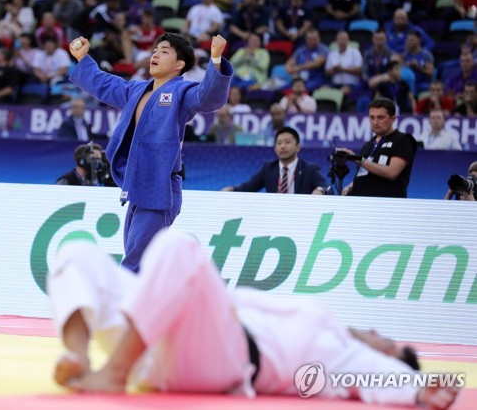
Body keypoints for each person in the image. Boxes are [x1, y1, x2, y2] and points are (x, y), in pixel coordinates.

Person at [48, 228, 459, 410]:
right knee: (76, 253)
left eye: (387, 342)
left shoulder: (340, 354)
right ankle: (78, 355)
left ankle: (113, 373)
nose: (374, 333)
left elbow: (373, 378)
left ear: (389, 358)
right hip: (157, 342)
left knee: (178, 246)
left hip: (221, 361)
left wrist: (421, 386)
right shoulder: (323, 319)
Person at [67, 33, 233, 273]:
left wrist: (216, 60)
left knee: (135, 264)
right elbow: (103, 84)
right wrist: (83, 58)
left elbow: (207, 97)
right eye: (156, 50)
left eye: (165, 51)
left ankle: (124, 309)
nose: (156, 54)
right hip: (136, 186)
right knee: (141, 261)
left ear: (179, 65)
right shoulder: (136, 90)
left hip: (159, 187)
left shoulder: (181, 92)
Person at [341, 98, 417, 198]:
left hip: (386, 204)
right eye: (372, 118)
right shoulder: (368, 145)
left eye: (380, 118)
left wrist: (358, 159)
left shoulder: (403, 140)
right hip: (361, 203)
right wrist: (351, 186)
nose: (375, 122)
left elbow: (392, 173)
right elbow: (365, 174)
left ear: (392, 119)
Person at [222, 126, 330, 194]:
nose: (283, 146)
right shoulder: (269, 168)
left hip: (301, 217)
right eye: (279, 143)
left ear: (298, 147)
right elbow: (248, 187)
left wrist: (320, 190)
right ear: (275, 148)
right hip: (274, 217)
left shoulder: (309, 169)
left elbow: (328, 188)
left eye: (287, 142)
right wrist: (231, 190)